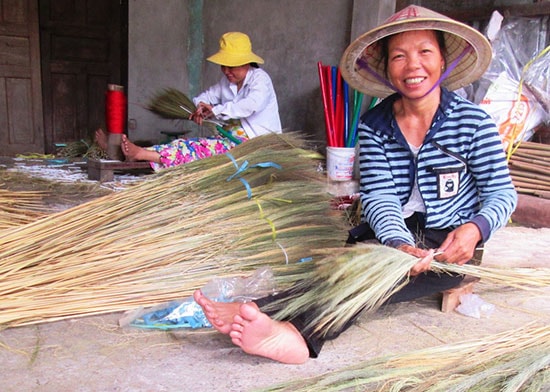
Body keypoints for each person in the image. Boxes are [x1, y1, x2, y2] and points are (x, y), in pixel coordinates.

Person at [193, 5, 518, 364]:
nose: (413, 66)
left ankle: (295, 334)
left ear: (443, 60)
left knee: (375, 281)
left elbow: (502, 192)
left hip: (451, 241)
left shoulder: (472, 121)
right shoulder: (375, 124)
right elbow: (379, 196)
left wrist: (475, 229)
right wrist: (397, 242)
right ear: (387, 68)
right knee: (348, 267)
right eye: (399, 56)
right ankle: (264, 310)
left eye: (425, 51)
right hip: (394, 231)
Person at [96, 32, 281, 170]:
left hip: (254, 143)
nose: (226, 71)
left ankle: (140, 154)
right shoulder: (227, 82)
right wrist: (199, 107)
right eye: (224, 66)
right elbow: (205, 97)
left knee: (195, 149)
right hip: (230, 140)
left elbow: (250, 105)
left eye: (232, 67)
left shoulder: (260, 80)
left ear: (246, 63)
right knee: (183, 144)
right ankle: (127, 153)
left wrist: (215, 110)